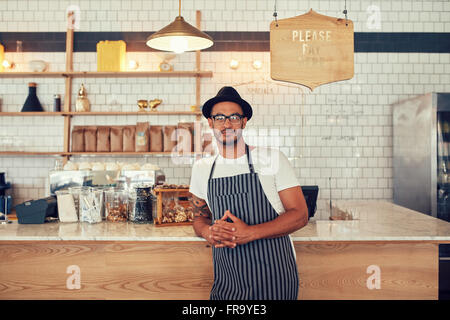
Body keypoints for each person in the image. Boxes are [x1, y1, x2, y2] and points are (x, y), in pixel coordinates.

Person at [189, 86, 308, 300]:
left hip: (275, 276)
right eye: (219, 117)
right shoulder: (202, 168)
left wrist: (249, 233)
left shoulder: (272, 159)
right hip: (228, 278)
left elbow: (300, 215)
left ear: (244, 122)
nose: (227, 124)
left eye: (234, 117)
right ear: (210, 123)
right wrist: (208, 233)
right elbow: (199, 217)